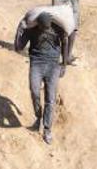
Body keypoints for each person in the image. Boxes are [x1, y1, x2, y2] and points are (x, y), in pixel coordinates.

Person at [13, 11, 71, 145]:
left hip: (53, 65)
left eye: (47, 27)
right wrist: (19, 31)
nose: (44, 29)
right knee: (34, 91)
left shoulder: (58, 29)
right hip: (37, 63)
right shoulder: (31, 30)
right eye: (42, 27)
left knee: (50, 99)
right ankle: (38, 117)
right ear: (38, 24)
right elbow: (18, 47)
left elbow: (65, 43)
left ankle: (47, 129)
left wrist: (64, 64)